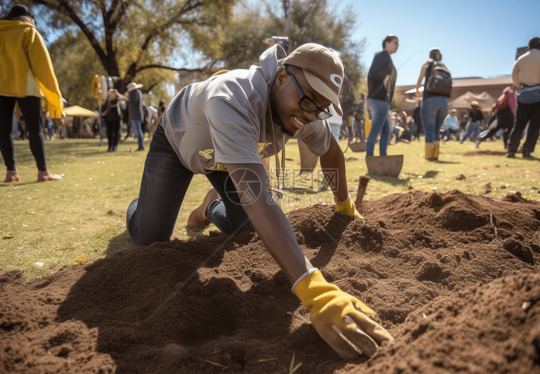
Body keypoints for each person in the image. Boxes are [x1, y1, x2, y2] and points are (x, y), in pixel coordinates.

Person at [125, 43, 393, 359]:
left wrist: (344, 203)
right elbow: (257, 196)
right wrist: (314, 289)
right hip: (178, 144)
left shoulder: (307, 112)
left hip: (226, 161)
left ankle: (210, 206)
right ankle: (144, 206)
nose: (309, 115)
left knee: (246, 228)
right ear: (281, 77)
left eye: (319, 109)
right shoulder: (232, 98)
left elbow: (332, 153)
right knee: (150, 235)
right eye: (308, 100)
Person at [0, 5, 62, 182]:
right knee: (35, 129)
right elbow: (43, 64)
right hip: (25, 85)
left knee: (3, 131)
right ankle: (43, 172)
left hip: (1, 86)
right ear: (25, 18)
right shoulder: (28, 31)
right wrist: (53, 93)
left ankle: (11, 172)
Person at [507, 37, 540, 158]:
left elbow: (514, 72)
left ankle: (511, 150)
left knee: (519, 124)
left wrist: (518, 84)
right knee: (535, 125)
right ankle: (526, 151)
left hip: (524, 93)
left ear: (528, 46)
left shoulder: (521, 58)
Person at [366, 35, 398, 157]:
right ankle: (370, 157)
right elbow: (373, 73)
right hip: (378, 99)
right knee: (375, 130)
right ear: (387, 43)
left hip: (380, 100)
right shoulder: (383, 55)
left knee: (386, 130)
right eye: (395, 42)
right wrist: (384, 78)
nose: (397, 45)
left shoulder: (386, 57)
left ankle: (382, 157)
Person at [415, 48, 450, 160]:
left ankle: (429, 156)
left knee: (429, 130)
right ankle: (435, 155)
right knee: (436, 130)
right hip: (444, 102)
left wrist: (417, 90)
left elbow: (420, 78)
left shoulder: (427, 63)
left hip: (430, 100)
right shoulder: (444, 67)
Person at [126, 82, 144, 151]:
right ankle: (140, 146)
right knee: (138, 131)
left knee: (138, 131)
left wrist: (127, 99)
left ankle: (141, 146)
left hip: (135, 115)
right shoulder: (138, 92)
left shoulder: (135, 93)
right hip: (137, 115)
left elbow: (132, 102)